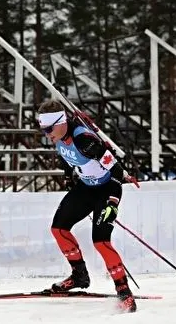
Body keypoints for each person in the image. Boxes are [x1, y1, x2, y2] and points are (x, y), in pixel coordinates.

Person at [37, 98, 138, 313]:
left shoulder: (83, 139)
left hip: (107, 189)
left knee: (101, 241)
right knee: (58, 228)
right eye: (43, 129)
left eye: (49, 129)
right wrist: (69, 176)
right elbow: (67, 158)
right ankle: (79, 276)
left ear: (61, 122)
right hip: (86, 188)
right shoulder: (59, 136)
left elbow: (114, 168)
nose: (47, 134)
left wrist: (113, 201)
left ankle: (124, 291)